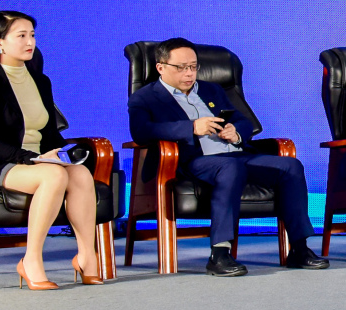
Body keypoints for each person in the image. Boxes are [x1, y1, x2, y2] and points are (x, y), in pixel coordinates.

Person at [127, 38, 327, 276]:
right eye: (181, 67)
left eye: (193, 67)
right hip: (192, 160)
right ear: (161, 67)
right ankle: (219, 254)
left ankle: (300, 249)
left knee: (290, 166)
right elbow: (141, 131)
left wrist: (236, 132)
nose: (189, 73)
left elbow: (244, 121)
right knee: (230, 168)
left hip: (235, 155)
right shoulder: (145, 97)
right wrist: (191, 127)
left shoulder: (211, 90)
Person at [0, 11, 102, 289]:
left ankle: (87, 256)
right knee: (54, 176)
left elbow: (48, 132)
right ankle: (31, 259)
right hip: (0, 163)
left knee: (81, 175)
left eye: (33, 35)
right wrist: (32, 159)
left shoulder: (41, 81)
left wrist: (59, 153)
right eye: (21, 36)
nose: (30, 42)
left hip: (38, 161)